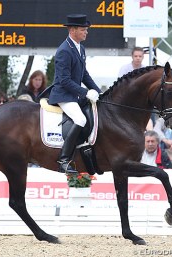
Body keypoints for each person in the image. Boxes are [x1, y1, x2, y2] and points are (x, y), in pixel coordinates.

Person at [48, 14, 102, 174]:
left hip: (74, 94)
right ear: (72, 30)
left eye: (86, 29)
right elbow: (64, 81)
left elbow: (84, 74)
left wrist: (99, 92)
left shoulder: (80, 47)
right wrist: (86, 93)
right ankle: (63, 160)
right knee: (80, 119)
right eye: (83, 29)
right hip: (63, 95)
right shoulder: (64, 51)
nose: (86, 32)